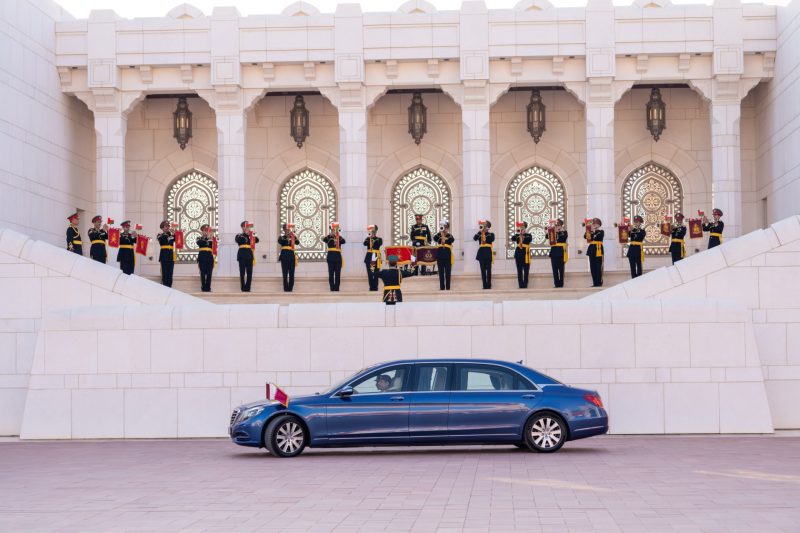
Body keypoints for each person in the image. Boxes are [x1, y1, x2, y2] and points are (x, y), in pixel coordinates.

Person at [235, 221, 259, 292]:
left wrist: (251, 234)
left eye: (247, 227)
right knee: (242, 273)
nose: (246, 228)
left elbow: (257, 240)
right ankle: (243, 288)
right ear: (242, 228)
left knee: (249, 273)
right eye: (244, 227)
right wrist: (245, 234)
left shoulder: (252, 235)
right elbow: (237, 240)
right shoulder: (239, 235)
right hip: (242, 255)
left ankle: (248, 288)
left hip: (249, 255)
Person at [323, 223, 345, 292]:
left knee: (338, 274)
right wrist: (330, 235)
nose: (334, 231)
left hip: (338, 258)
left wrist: (337, 236)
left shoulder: (339, 237)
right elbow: (324, 240)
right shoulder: (328, 237)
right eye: (332, 230)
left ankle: (337, 288)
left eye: (335, 230)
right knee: (331, 274)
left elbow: (344, 241)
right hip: (331, 258)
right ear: (331, 230)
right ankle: (332, 288)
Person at [433, 220, 455, 291]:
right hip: (440, 256)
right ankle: (442, 287)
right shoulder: (438, 235)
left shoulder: (450, 235)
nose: (444, 228)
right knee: (441, 272)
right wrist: (441, 233)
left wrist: (444, 235)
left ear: (447, 227)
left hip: (447, 256)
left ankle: (448, 287)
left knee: (448, 272)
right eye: (443, 227)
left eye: (445, 227)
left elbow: (451, 240)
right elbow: (435, 239)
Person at [510, 221, 533, 289]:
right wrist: (518, 233)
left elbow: (529, 240)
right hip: (518, 254)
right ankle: (520, 285)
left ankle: (525, 285)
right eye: (520, 227)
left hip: (526, 254)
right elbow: (513, 239)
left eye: (522, 227)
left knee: (526, 271)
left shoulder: (528, 235)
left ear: (525, 227)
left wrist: (523, 234)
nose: (521, 228)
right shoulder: (517, 234)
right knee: (519, 270)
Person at [474, 220, 495, 289]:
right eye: (483, 226)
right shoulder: (480, 233)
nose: (483, 227)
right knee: (482, 271)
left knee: (489, 270)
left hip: (488, 254)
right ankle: (484, 285)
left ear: (488, 227)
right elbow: (475, 238)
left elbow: (491, 239)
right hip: (481, 254)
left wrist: (485, 232)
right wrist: (480, 232)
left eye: (485, 226)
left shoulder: (491, 234)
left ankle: (489, 285)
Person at [277, 223, 297, 292]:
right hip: (284, 257)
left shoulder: (292, 237)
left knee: (292, 274)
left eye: (289, 229)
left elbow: (297, 242)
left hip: (291, 257)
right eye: (286, 229)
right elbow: (280, 242)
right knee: (285, 274)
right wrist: (286, 236)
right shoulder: (281, 237)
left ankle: (290, 288)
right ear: (284, 230)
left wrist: (293, 236)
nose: (288, 230)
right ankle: (286, 289)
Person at [549, 219, 568, 288]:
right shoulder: (552, 232)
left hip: (561, 252)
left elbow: (563, 238)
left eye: (559, 225)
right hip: (553, 252)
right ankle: (556, 284)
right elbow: (547, 237)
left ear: (561, 225)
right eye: (556, 225)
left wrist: (558, 232)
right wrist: (551, 231)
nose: (557, 226)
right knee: (554, 269)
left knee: (561, 269)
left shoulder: (564, 232)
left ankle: (561, 283)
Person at [363, 225, 383, 292]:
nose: (373, 231)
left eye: (374, 230)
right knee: (370, 273)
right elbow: (365, 244)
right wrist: (369, 238)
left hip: (376, 256)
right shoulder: (368, 238)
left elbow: (379, 243)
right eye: (372, 230)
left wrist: (373, 238)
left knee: (376, 273)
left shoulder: (379, 239)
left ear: (376, 231)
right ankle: (371, 287)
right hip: (369, 256)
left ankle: (375, 287)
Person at [157, 220, 176, 287]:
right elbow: (161, 240)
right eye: (165, 226)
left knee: (170, 273)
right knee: (164, 272)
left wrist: (174, 233)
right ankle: (164, 286)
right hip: (164, 256)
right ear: (162, 228)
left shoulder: (171, 234)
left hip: (171, 256)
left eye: (168, 226)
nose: (167, 227)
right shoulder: (160, 235)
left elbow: (177, 239)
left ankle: (169, 286)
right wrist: (168, 234)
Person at [586, 218, 604, 287]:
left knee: (598, 267)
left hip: (598, 250)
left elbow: (599, 237)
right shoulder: (590, 231)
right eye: (593, 224)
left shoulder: (601, 231)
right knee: (592, 267)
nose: (594, 225)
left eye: (596, 224)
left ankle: (599, 282)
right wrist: (589, 230)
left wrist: (593, 231)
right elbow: (585, 236)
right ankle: (594, 283)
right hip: (591, 250)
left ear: (599, 225)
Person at [197, 224, 214, 292]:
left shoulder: (212, 239)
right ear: (202, 231)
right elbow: (199, 243)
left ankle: (208, 288)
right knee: (203, 273)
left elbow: (216, 243)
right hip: (202, 258)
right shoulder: (199, 238)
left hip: (210, 258)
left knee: (209, 273)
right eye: (204, 231)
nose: (206, 232)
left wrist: (212, 238)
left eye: (207, 231)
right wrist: (206, 238)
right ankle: (203, 288)